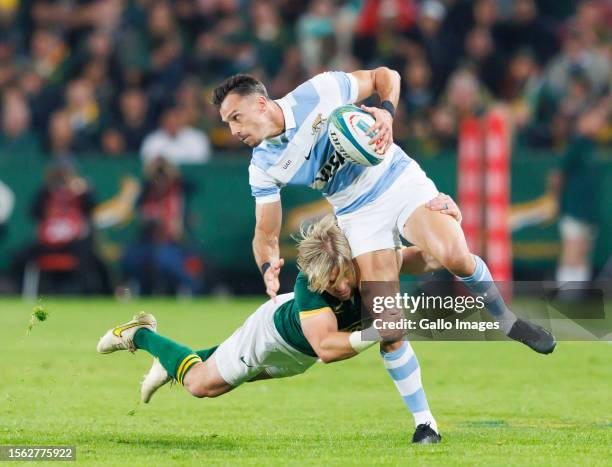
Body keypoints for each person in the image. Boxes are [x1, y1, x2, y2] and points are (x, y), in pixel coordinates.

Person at [210, 68, 556, 354]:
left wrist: (386, 113)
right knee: (387, 323)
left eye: (236, 117)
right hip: (354, 211)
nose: (234, 130)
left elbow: (384, 76)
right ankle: (424, 423)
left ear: (260, 104)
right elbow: (265, 233)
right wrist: (268, 266)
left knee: (455, 256)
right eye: (228, 122)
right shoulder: (263, 165)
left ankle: (507, 321)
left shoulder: (317, 92)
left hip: (394, 178)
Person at [98, 198, 462, 444]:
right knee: (201, 385)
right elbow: (327, 348)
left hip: (298, 359)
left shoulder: (370, 262)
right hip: (273, 336)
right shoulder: (310, 286)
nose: (343, 287)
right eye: (331, 283)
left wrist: (450, 223)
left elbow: (431, 257)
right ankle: (140, 334)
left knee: (216, 376)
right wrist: (378, 328)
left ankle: (173, 362)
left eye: (344, 276)